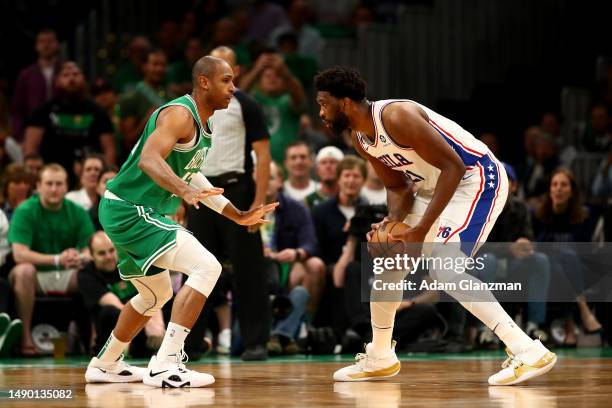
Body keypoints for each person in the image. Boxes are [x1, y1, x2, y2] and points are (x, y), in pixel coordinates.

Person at [314, 66, 556, 385]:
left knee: (447, 268)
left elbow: (453, 167)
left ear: (344, 103)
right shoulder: (360, 138)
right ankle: (380, 355)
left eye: (323, 103)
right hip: (433, 188)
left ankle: (527, 350)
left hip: (476, 179)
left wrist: (417, 230)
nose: (320, 113)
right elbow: (399, 188)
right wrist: (392, 224)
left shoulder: (397, 116)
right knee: (389, 265)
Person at [84, 56, 278, 388]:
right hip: (131, 208)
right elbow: (149, 158)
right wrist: (182, 190)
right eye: (226, 80)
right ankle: (167, 362)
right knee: (208, 266)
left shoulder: (205, 123)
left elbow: (194, 174)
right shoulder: (179, 114)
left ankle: (105, 363)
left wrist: (238, 214)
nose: (233, 88)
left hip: (127, 209)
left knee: (154, 296)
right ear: (204, 82)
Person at [185, 46, 272, 361]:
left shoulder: (246, 105)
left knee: (249, 271)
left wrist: (259, 202)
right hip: (199, 192)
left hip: (237, 191)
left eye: (230, 70)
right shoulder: (189, 108)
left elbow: (263, 157)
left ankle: (255, 342)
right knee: (195, 267)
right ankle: (190, 344)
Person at [8, 164, 95, 356]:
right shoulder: (25, 210)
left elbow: (90, 252)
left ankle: (94, 338)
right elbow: (19, 254)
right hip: (35, 275)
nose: (54, 189)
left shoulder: (77, 212)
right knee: (23, 271)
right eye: (49, 184)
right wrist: (57, 259)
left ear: (66, 187)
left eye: (59, 184)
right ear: (38, 186)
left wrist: (78, 258)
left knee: (90, 273)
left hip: (66, 273)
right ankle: (25, 339)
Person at [23, 62, 116, 183]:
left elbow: (109, 150)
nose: (71, 78)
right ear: (57, 81)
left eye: (76, 74)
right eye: (66, 75)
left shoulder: (98, 112)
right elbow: (30, 150)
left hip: (89, 177)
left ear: (84, 79)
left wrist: (107, 177)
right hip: (51, 177)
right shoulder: (42, 111)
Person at [78, 231, 164, 357]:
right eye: (102, 253)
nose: (109, 256)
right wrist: (149, 324)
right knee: (109, 311)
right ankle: (125, 351)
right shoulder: (86, 275)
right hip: (114, 330)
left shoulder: (129, 264)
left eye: (112, 250)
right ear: (91, 255)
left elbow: (152, 292)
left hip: (144, 325)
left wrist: (158, 326)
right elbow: (116, 305)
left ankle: (190, 343)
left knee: (170, 302)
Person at [118, 50, 170, 161]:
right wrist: (148, 120)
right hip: (141, 160)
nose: (159, 69)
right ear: (144, 66)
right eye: (155, 64)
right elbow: (128, 140)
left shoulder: (171, 97)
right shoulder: (131, 98)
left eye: (163, 65)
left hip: (169, 159)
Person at [11, 28, 61, 142]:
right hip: (32, 133)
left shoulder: (65, 73)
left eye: (50, 41)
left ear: (57, 44)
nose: (46, 45)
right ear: (36, 46)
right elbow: (17, 110)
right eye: (42, 41)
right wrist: (20, 136)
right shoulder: (26, 75)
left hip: (61, 131)